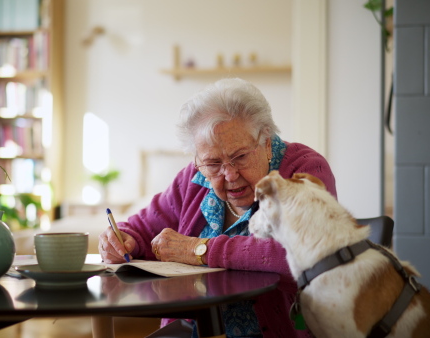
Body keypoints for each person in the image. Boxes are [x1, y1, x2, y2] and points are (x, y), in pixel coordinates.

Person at [98, 78, 337, 338]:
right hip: (193, 329)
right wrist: (121, 238)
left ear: (267, 143)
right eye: (213, 163)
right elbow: (140, 227)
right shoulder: (193, 178)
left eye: (240, 157)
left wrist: (197, 249)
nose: (230, 174)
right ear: (198, 159)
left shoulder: (304, 171)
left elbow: (302, 253)